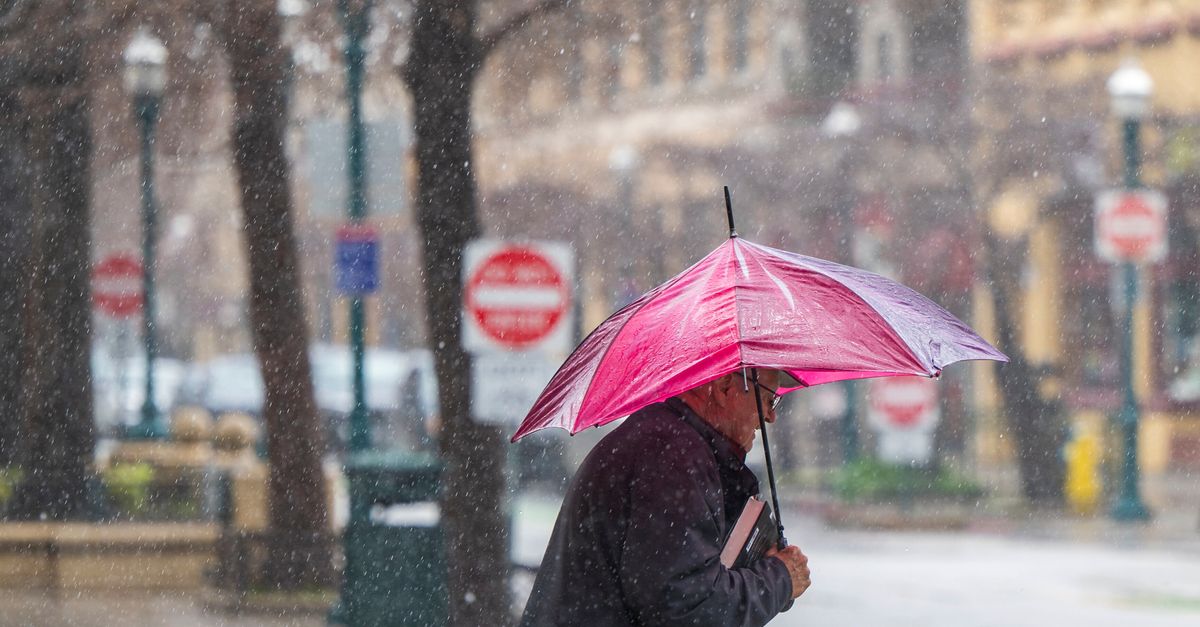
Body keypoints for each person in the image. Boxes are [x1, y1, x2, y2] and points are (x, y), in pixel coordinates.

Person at [520, 369, 811, 626]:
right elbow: (688, 607)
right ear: (724, 387)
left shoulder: (670, 443)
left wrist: (762, 564)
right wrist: (778, 579)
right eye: (769, 399)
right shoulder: (670, 455)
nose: (770, 416)